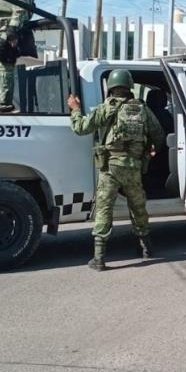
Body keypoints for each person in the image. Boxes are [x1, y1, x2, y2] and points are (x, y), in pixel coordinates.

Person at [67, 69, 165, 271]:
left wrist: (75, 108)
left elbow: (80, 128)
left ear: (111, 87)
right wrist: (151, 149)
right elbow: (159, 135)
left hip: (110, 167)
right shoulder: (141, 109)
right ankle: (146, 248)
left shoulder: (106, 108)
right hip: (134, 166)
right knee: (138, 206)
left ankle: (99, 258)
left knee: (104, 209)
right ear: (129, 87)